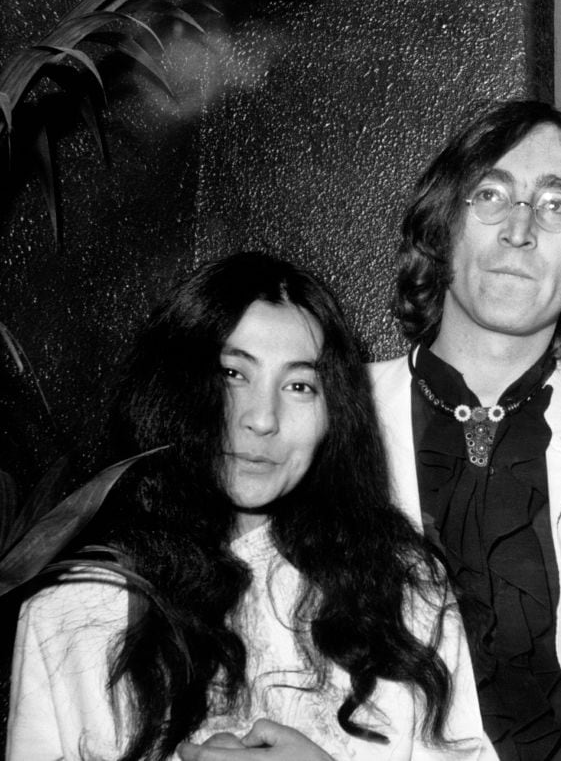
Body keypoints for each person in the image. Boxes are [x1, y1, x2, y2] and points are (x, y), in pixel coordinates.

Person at [6, 252, 492, 761]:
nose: (263, 418)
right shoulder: (75, 604)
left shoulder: (404, 589)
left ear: (336, 416)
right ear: (175, 388)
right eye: (233, 374)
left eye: (300, 386)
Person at [370, 100, 561, 760]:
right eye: (490, 195)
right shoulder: (343, 407)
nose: (519, 230)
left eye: (557, 207)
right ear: (445, 222)